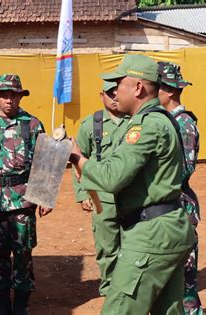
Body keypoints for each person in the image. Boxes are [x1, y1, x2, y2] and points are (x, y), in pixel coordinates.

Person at [69, 55, 195, 314]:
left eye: (119, 84)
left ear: (137, 88)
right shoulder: (159, 120)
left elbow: (112, 177)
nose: (115, 92)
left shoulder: (147, 126)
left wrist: (77, 158)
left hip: (151, 236)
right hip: (167, 228)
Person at [0, 74, 52, 315]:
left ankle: (22, 304)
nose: (9, 100)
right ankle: (1, 304)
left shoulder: (33, 125)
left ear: (20, 96)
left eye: (14, 95)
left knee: (23, 254)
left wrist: (45, 198)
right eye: (4, 95)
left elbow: (44, 164)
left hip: (23, 202)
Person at [72, 80, 128, 296]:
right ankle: (110, 290)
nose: (114, 97)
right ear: (101, 95)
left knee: (131, 245)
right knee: (107, 248)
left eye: (117, 92)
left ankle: (129, 291)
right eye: (109, 93)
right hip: (101, 199)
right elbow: (77, 159)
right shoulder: (91, 124)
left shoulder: (134, 121)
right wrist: (82, 193)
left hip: (130, 196)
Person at [158, 61, 202, 315]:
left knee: (185, 282)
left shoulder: (183, 124)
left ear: (171, 91)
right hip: (168, 209)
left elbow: (184, 169)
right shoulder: (166, 121)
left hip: (180, 208)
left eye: (158, 89)